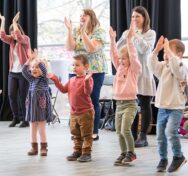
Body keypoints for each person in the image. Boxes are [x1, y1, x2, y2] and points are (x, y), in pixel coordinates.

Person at [116, 6, 156, 147]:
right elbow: (118, 48)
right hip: (131, 75)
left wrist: (135, 35)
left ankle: (143, 136)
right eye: (132, 17)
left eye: (137, 16)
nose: (134, 19)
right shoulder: (128, 32)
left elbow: (144, 49)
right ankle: (132, 134)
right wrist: (126, 36)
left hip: (144, 73)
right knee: (131, 104)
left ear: (144, 18)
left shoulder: (150, 33)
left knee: (145, 105)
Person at [65, 9, 107, 140]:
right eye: (80, 15)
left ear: (91, 17)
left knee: (93, 100)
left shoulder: (99, 31)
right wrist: (69, 30)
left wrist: (83, 32)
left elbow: (91, 48)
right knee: (75, 100)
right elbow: (70, 47)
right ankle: (78, 131)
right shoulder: (76, 30)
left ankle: (93, 131)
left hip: (94, 70)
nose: (81, 17)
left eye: (84, 15)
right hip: (76, 69)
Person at [148, 37, 187, 173]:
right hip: (163, 107)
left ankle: (178, 156)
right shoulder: (163, 67)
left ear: (179, 54)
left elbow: (176, 69)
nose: (166, 54)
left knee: (170, 131)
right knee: (160, 136)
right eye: (165, 52)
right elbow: (151, 65)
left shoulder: (181, 66)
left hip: (176, 107)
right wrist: (156, 50)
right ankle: (163, 159)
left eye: (169, 51)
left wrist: (170, 54)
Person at [49, 54, 94, 162]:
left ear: (86, 66)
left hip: (86, 112)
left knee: (86, 134)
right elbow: (64, 90)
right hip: (74, 113)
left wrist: (87, 81)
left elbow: (88, 92)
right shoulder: (72, 79)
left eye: (77, 65)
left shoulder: (88, 79)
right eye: (73, 65)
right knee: (75, 134)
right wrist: (55, 80)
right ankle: (77, 151)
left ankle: (86, 153)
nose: (74, 67)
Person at [109, 23, 142, 166]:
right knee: (118, 131)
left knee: (125, 129)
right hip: (119, 103)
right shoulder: (119, 68)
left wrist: (129, 40)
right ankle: (123, 153)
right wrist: (112, 40)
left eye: (124, 59)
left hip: (130, 104)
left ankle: (131, 153)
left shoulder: (134, 70)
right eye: (121, 59)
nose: (121, 61)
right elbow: (114, 55)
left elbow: (133, 56)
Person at [0, 11, 31, 128]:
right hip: (12, 73)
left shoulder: (25, 40)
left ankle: (25, 119)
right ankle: (16, 117)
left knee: (23, 97)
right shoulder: (12, 41)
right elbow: (2, 36)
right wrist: (3, 21)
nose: (12, 34)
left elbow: (18, 36)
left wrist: (14, 22)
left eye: (13, 31)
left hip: (23, 73)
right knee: (11, 95)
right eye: (11, 32)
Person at [21, 50, 52, 156]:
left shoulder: (44, 79)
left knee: (41, 128)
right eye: (33, 67)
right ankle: (34, 147)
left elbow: (43, 69)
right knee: (32, 127)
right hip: (32, 107)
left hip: (41, 106)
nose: (34, 69)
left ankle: (44, 148)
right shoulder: (31, 80)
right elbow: (24, 71)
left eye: (37, 67)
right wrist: (29, 60)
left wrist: (37, 60)